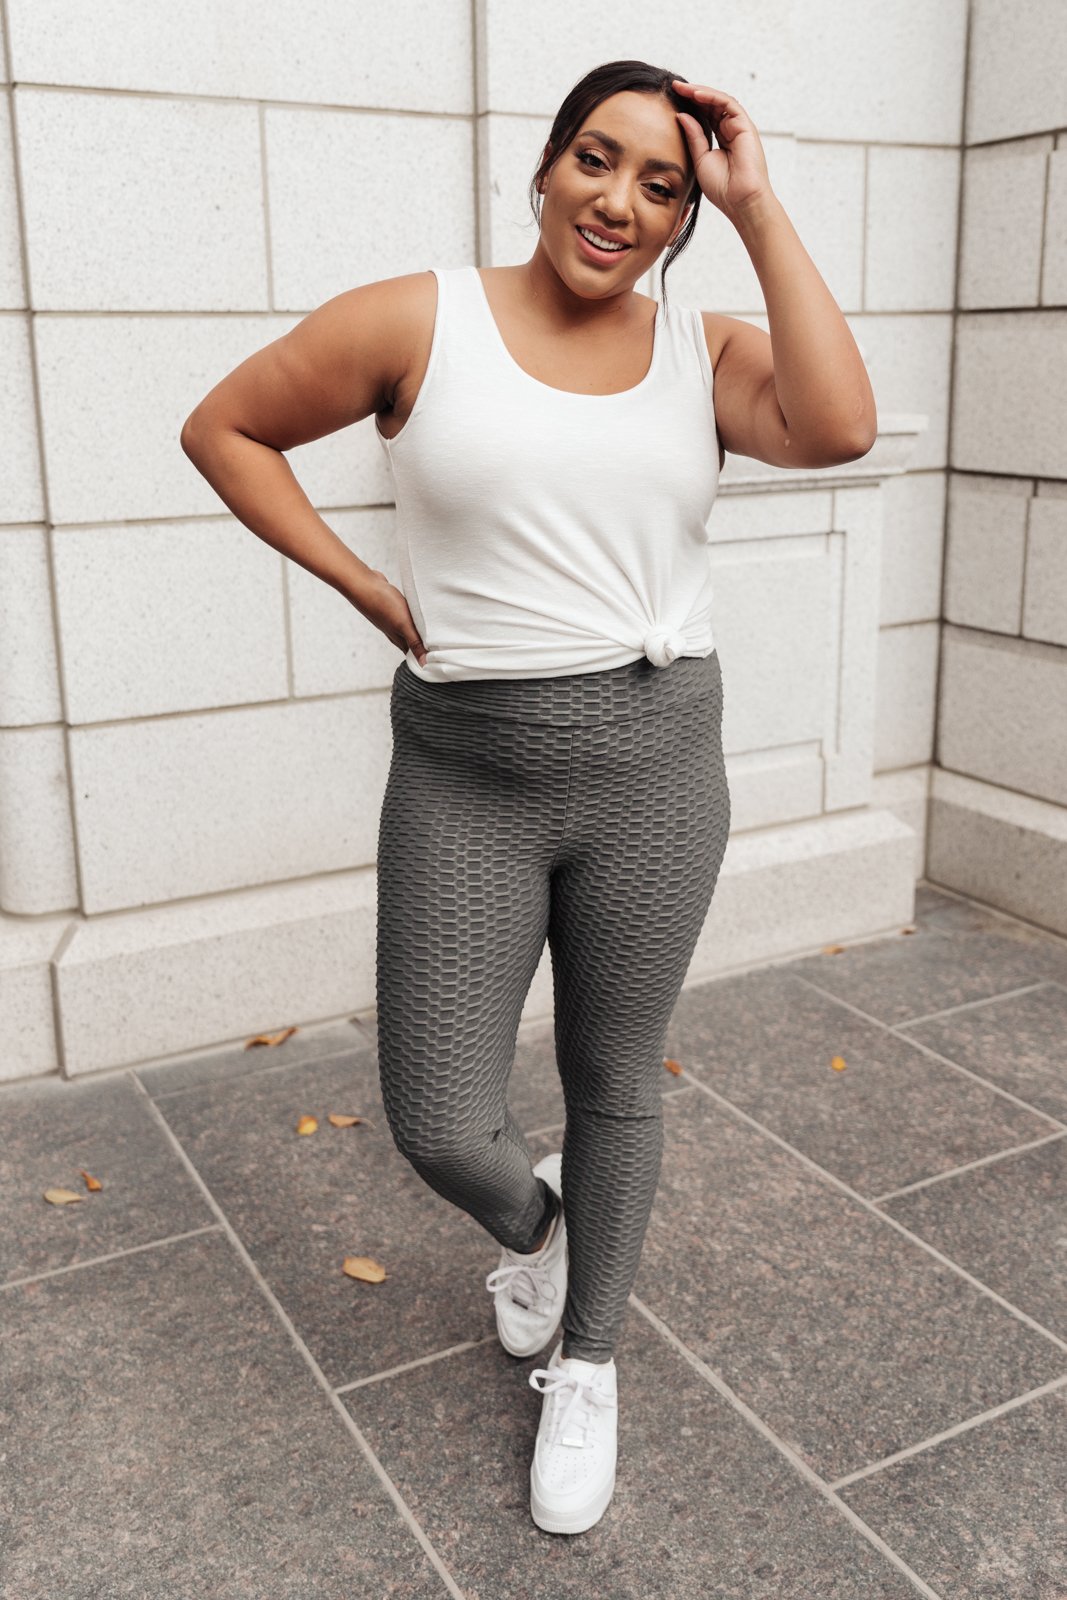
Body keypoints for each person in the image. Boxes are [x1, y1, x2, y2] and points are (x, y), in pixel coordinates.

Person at [180, 58, 877, 1538]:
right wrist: (368, 588)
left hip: (657, 765)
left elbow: (840, 429)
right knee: (440, 1116)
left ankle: (591, 1360)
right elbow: (225, 428)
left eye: (662, 186)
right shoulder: (414, 320)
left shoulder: (703, 351)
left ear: (683, 218)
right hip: (466, 774)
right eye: (595, 161)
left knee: (615, 1080)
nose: (619, 202)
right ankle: (553, 1234)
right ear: (545, 167)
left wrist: (758, 206)